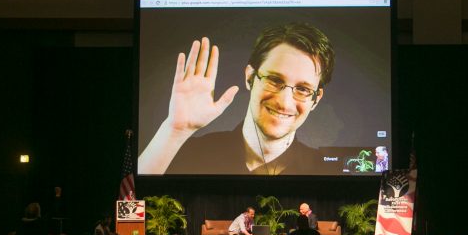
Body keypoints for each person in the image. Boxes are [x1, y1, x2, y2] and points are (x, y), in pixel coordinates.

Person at [138, 22, 336, 175]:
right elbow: (131, 197)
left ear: (316, 99)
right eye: (274, 80)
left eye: (302, 89)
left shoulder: (328, 169)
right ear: (250, 77)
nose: (284, 102)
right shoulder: (189, 151)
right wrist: (174, 131)